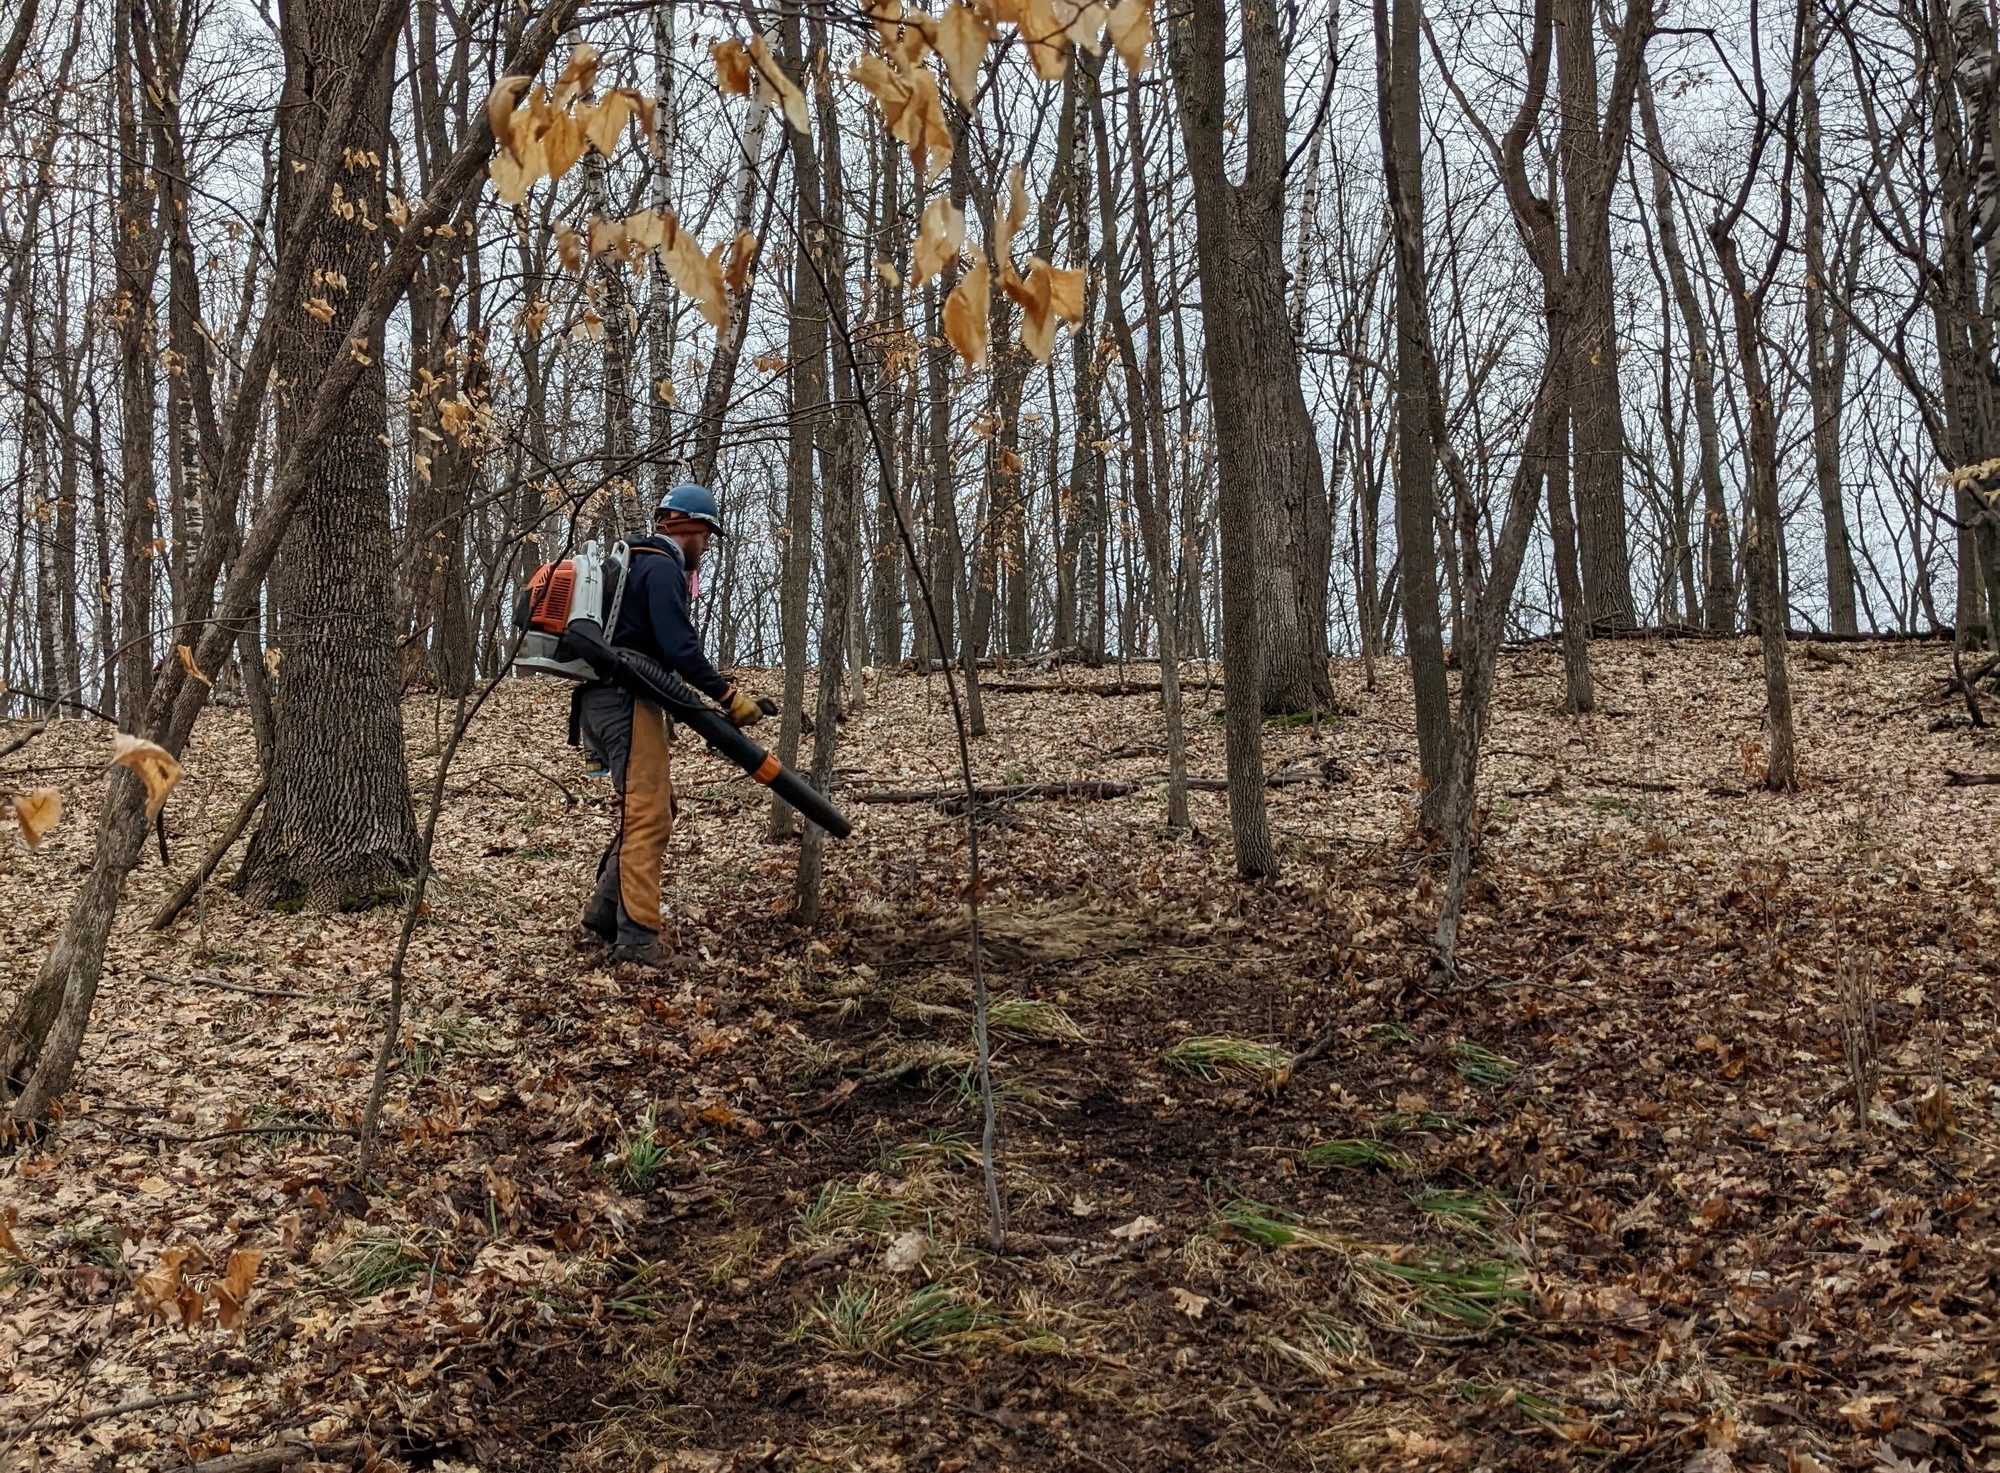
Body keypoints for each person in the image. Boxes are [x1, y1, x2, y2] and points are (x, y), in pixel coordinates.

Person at [577, 481, 762, 967]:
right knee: (648, 817)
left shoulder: (634, 564)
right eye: (706, 535)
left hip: (605, 701)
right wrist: (728, 695)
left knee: (658, 805)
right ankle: (637, 942)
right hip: (626, 700)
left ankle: (605, 908)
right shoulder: (660, 568)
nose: (705, 547)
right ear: (687, 527)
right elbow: (681, 650)